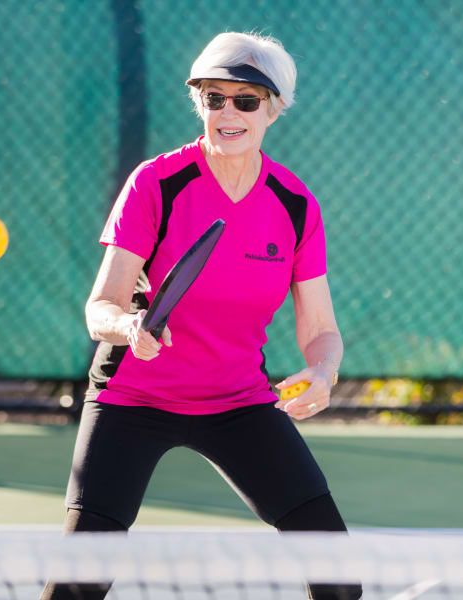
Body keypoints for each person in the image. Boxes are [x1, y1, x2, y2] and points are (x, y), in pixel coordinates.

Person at [41, 31, 362, 600]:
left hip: (237, 400)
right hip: (132, 399)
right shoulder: (157, 183)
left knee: (338, 578)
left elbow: (320, 330)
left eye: (245, 99)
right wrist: (129, 328)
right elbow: (101, 307)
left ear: (274, 109)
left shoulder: (294, 204)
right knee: (76, 585)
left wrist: (323, 371)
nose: (227, 112)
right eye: (214, 98)